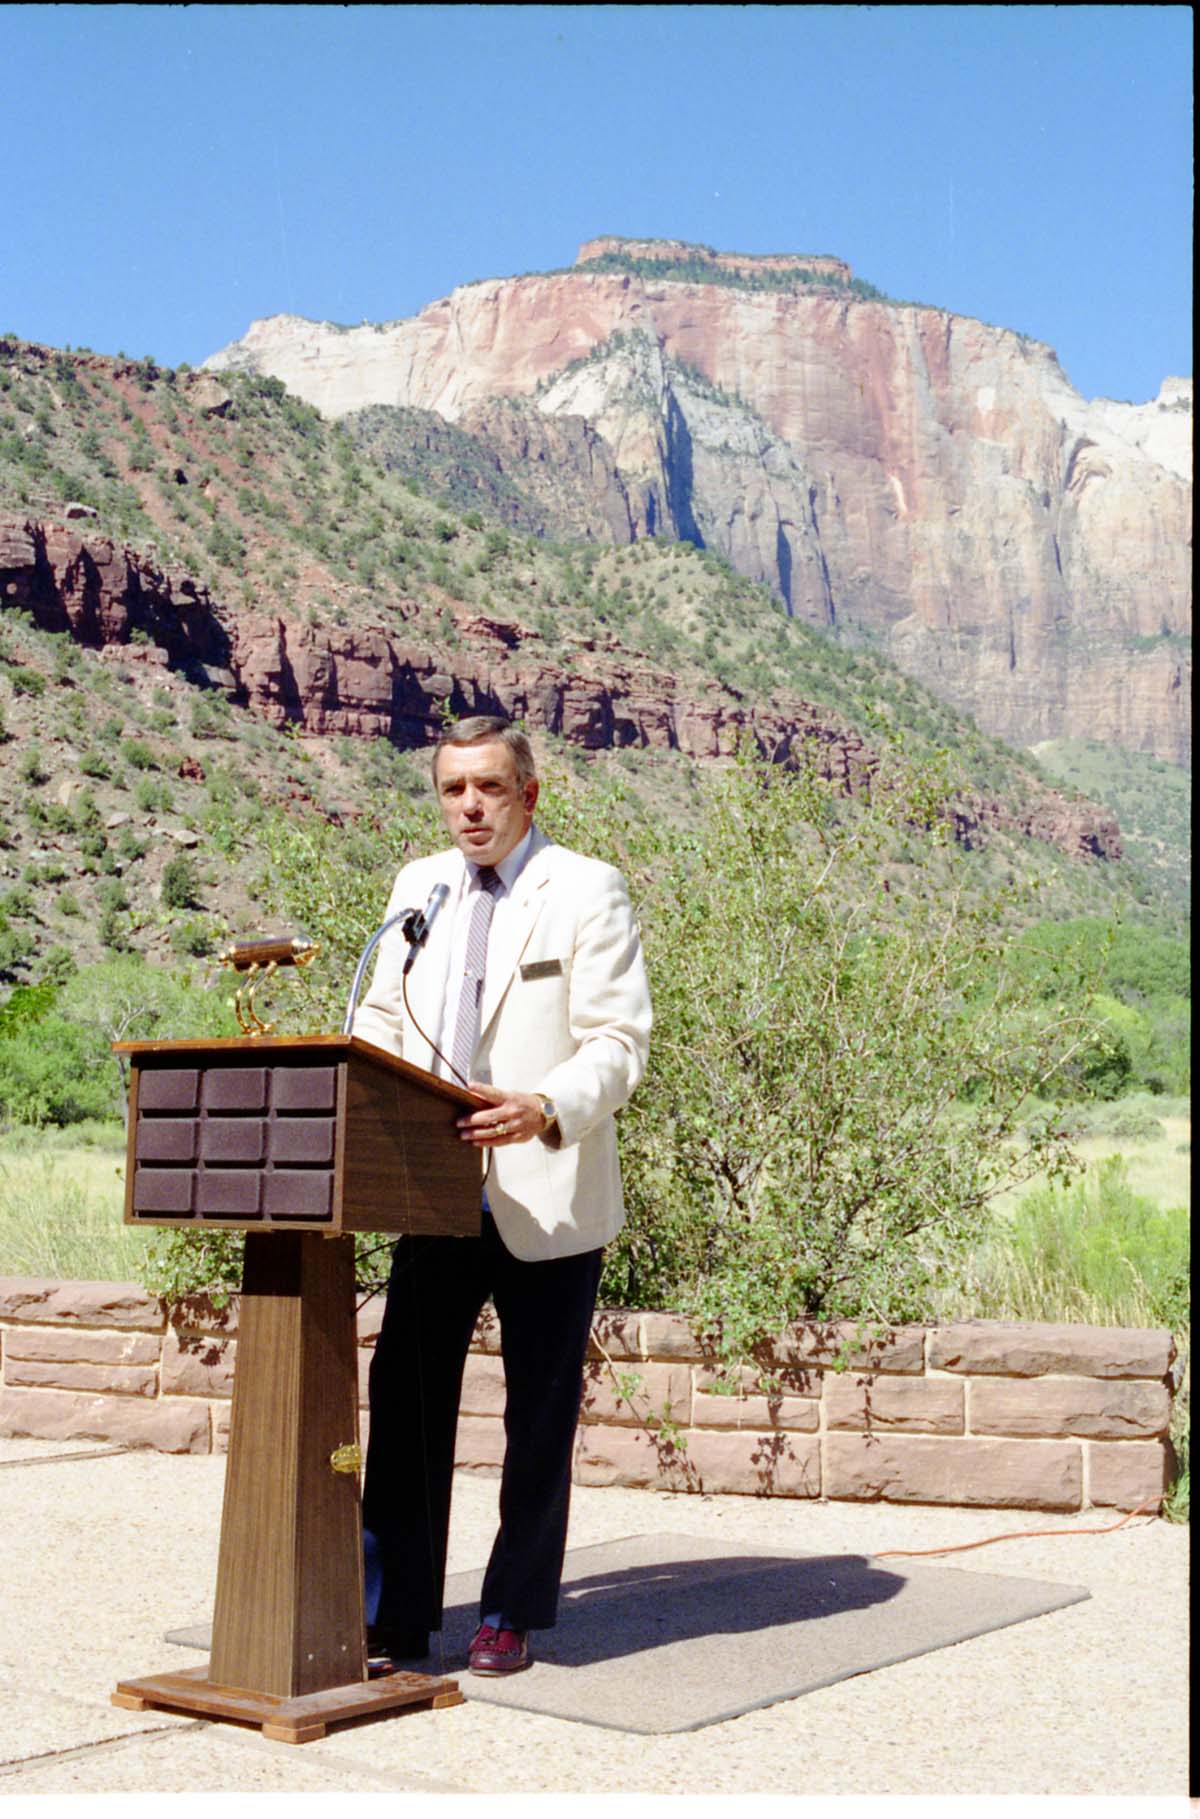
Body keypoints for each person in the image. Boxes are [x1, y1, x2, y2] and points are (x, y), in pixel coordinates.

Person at [351, 715, 652, 1675]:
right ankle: (394, 1616)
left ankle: (511, 1613)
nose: (470, 806)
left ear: (531, 792)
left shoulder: (587, 888)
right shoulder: (417, 888)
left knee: (538, 1416)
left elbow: (619, 1042)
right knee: (403, 1405)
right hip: (436, 1192)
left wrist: (544, 1105)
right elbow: (382, 1013)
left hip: (546, 1189)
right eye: (453, 789)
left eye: (488, 786)